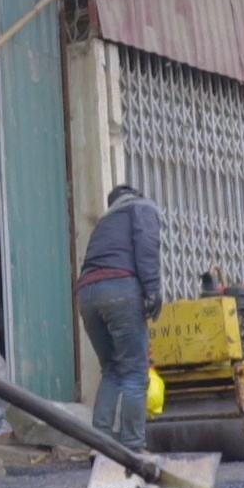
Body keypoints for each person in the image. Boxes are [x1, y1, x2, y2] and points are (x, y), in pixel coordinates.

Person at [75, 184, 161, 452]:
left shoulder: (105, 221)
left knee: (111, 368)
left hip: (87, 294)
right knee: (135, 372)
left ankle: (100, 446)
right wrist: (153, 291)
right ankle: (132, 448)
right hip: (120, 289)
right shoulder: (142, 208)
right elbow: (147, 250)